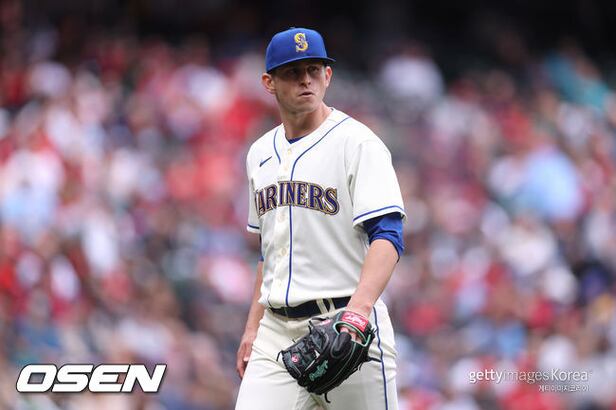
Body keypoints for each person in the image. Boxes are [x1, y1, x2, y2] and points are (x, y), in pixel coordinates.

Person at [235, 27, 406, 410]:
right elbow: (269, 251)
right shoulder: (259, 153)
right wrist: (252, 327)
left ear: (328, 76)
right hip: (276, 333)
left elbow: (389, 236)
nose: (306, 80)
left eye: (314, 70)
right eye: (293, 72)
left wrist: (358, 312)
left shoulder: (358, 143)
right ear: (269, 82)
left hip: (347, 324)